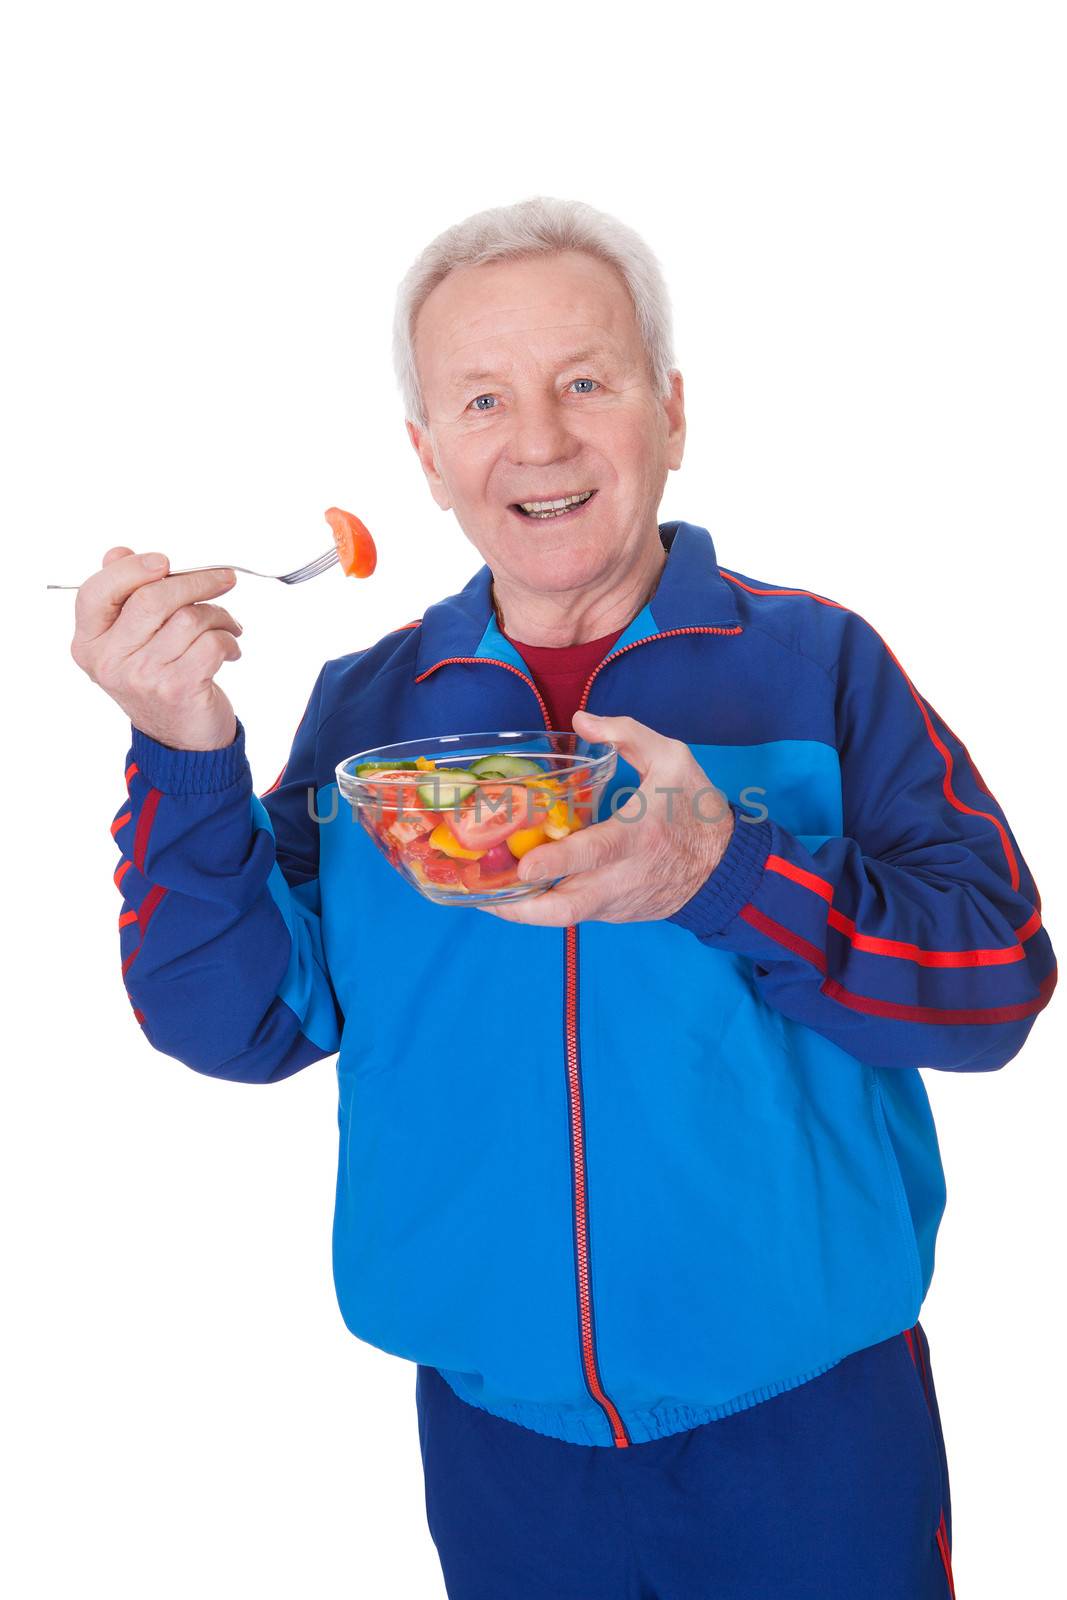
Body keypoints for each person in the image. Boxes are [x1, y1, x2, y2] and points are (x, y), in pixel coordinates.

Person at [70, 196, 1055, 1599]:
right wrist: (181, 748)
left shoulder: (818, 668)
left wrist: (727, 875)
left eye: (584, 382)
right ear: (426, 457)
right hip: (500, 1450)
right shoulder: (369, 713)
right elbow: (238, 1023)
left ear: (669, 409)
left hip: (812, 1426)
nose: (537, 441)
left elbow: (998, 985)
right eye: (482, 399)